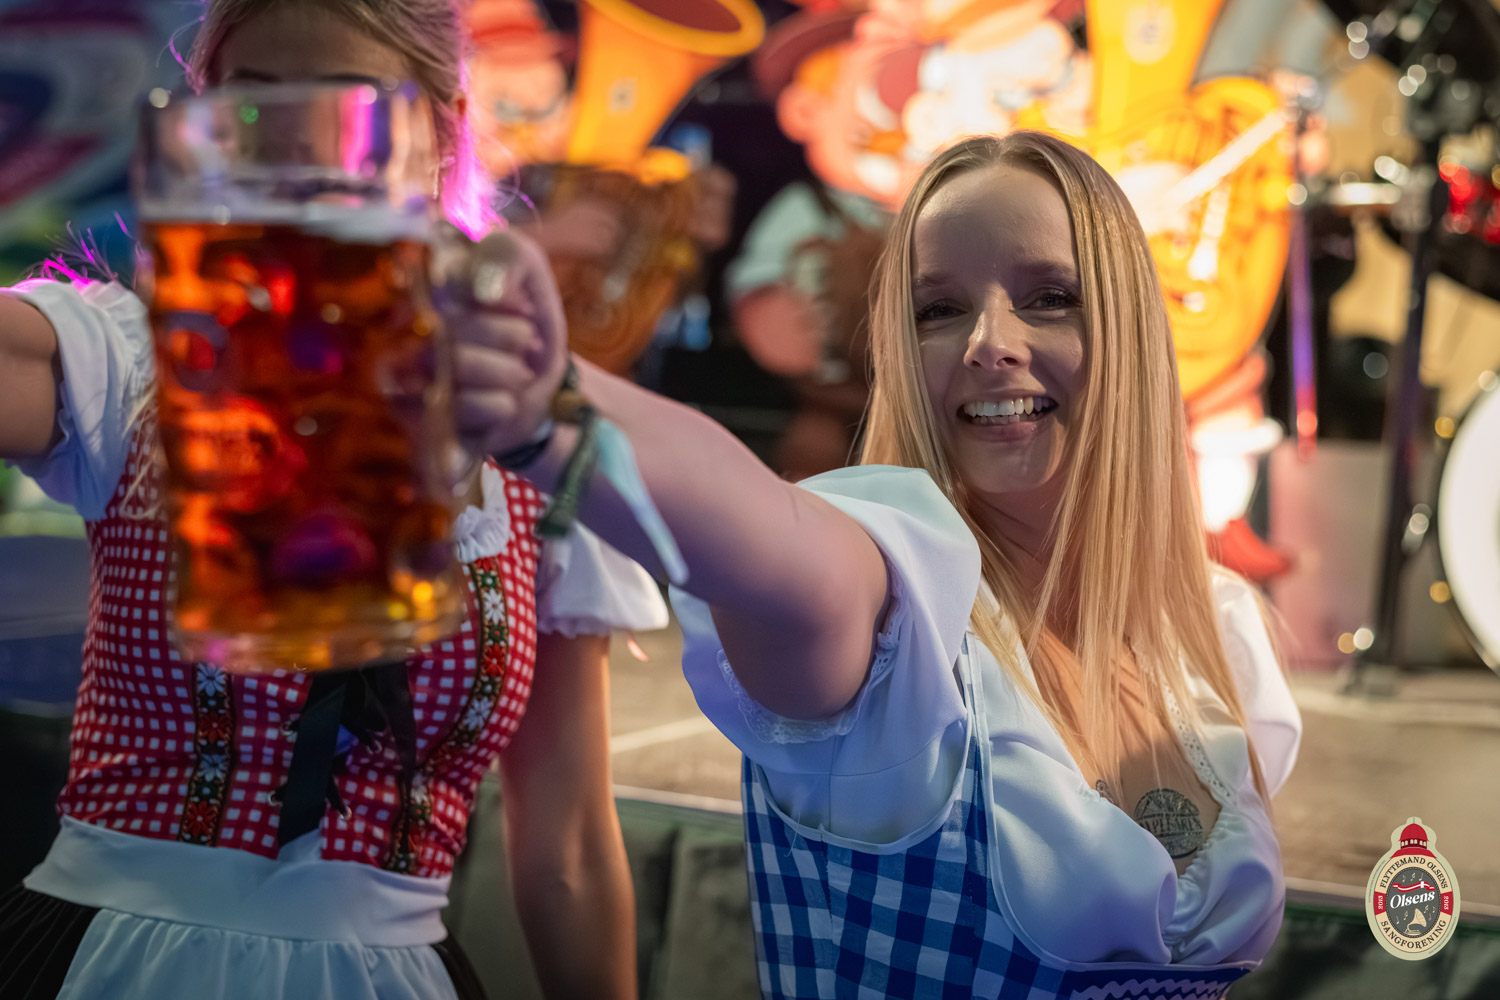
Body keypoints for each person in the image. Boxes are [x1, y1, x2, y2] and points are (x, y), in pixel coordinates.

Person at [497, 131, 1303, 997]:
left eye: (1050, 298)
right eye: (938, 311)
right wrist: (535, 392)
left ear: (1132, 330)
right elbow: (761, 532)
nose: (989, 342)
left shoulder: (1213, 629)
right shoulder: (905, 613)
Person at [0, 1, 666, 998]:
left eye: (346, 109)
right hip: (115, 952)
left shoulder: (531, 437)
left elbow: (567, 843)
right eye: (253, 107)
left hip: (394, 968)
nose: (294, 150)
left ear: (439, 133)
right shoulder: (130, 358)